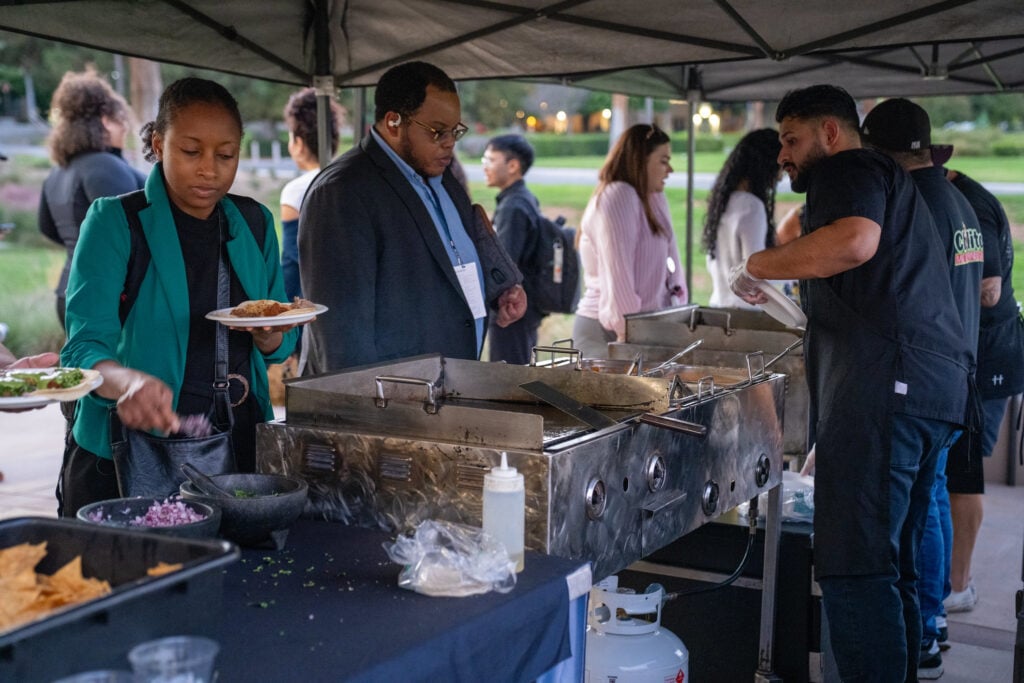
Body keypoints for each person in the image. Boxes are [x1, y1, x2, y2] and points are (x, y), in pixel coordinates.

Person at [730, 84, 972, 681]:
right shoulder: (896, 184)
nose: (782, 155)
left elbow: (854, 242)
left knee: (857, 568)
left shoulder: (848, 169)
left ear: (830, 133)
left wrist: (754, 264)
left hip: (889, 394)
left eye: (791, 139)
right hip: (932, 393)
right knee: (899, 566)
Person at [59, 77, 299, 516]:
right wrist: (128, 382)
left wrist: (270, 336)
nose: (210, 168)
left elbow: (277, 342)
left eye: (225, 155)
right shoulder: (116, 222)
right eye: (192, 151)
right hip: (125, 455)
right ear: (158, 142)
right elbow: (82, 348)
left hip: (236, 448)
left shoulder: (255, 223)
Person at [861, 96, 983, 679]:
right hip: (956, 372)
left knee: (922, 507)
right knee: (929, 500)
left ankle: (928, 626)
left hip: (924, 376)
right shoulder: (959, 201)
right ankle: (930, 624)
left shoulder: (913, 204)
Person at [299, 61, 526, 373]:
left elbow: (449, 265)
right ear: (394, 121)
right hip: (390, 403)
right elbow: (341, 337)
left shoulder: (443, 177)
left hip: (449, 388)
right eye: (437, 131)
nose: (450, 142)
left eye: (455, 131)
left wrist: (498, 291)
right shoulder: (342, 192)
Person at [943, 168, 1024, 617]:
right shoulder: (957, 195)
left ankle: (960, 585)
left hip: (991, 355)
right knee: (954, 470)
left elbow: (989, 290)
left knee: (964, 472)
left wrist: (929, 291)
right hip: (974, 353)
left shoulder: (967, 203)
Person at [38, 69, 146, 329]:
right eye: (122, 120)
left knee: (85, 371)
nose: (126, 128)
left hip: (68, 294)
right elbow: (130, 232)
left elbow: (48, 228)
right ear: (106, 120)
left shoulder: (58, 171)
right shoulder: (106, 167)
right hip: (106, 300)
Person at [572, 124, 686, 359]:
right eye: (663, 161)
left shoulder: (653, 196)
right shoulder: (618, 195)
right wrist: (630, 338)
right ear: (639, 161)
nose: (670, 170)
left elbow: (672, 263)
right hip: (608, 334)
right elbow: (618, 280)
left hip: (642, 330)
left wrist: (677, 312)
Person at [482, 134, 545, 364]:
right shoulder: (523, 198)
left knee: (507, 378)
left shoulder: (514, 206)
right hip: (523, 309)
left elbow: (503, 266)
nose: (484, 166)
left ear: (512, 165)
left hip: (511, 310)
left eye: (490, 160)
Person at [702, 128, 781, 309]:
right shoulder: (752, 207)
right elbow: (756, 268)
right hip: (745, 312)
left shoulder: (721, 202)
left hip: (717, 305)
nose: (781, 175)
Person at [280, 87, 341, 302]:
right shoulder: (347, 180)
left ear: (298, 143)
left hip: (308, 305)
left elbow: (292, 261)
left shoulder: (295, 191)